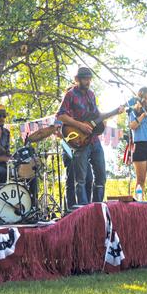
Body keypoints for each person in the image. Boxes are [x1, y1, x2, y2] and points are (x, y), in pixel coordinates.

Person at [57, 67, 124, 204]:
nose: (88, 81)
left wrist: (115, 112)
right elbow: (61, 115)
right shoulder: (70, 95)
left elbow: (97, 116)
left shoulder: (91, 95)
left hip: (94, 140)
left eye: (89, 79)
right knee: (80, 180)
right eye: (85, 78)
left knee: (101, 177)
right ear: (77, 80)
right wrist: (80, 125)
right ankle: (83, 211)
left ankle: (97, 208)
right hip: (79, 141)